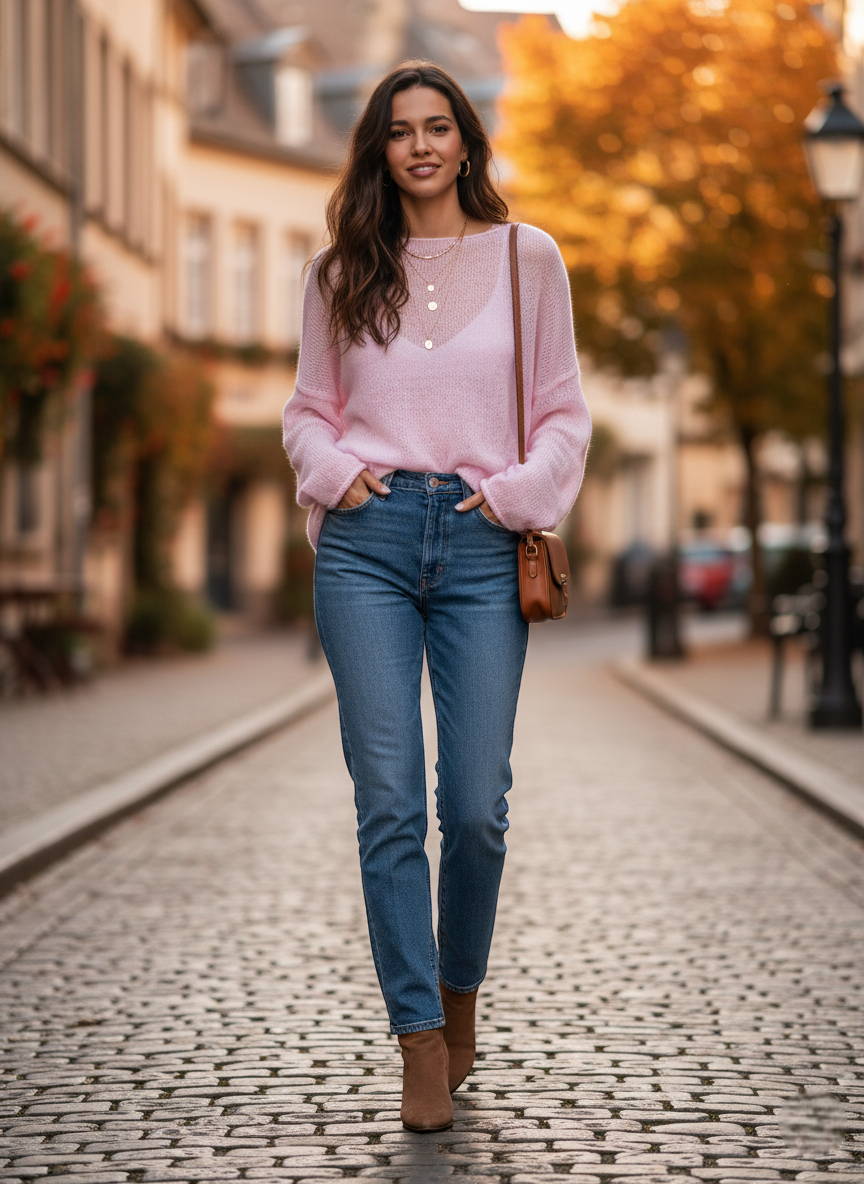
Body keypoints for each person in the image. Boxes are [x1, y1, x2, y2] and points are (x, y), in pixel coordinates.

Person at [283, 60, 591, 1132]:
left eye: (439, 126)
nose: (420, 145)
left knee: (475, 806)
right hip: (363, 547)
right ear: (378, 149)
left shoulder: (528, 258)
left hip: (477, 544)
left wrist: (513, 496)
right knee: (390, 803)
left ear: (467, 140)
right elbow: (306, 414)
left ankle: (462, 996)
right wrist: (337, 476)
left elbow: (562, 415)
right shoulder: (337, 272)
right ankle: (419, 1036)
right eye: (400, 130)